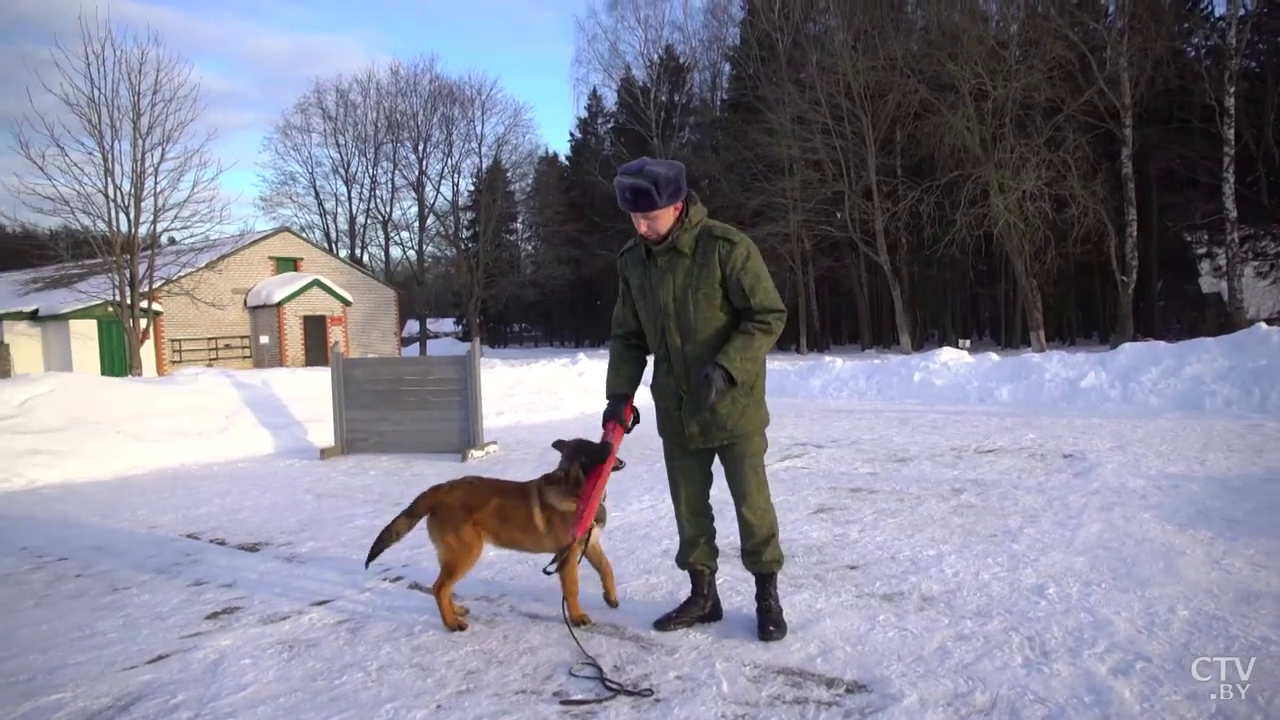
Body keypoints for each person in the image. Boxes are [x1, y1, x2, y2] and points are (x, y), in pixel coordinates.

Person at [600, 156, 790, 642]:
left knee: (752, 505)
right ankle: (703, 595)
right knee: (689, 508)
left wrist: (729, 367)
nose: (641, 227)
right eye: (634, 218)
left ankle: (766, 594)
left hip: (734, 406)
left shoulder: (726, 248)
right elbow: (627, 336)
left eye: (650, 217)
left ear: (678, 206)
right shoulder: (633, 263)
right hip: (677, 408)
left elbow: (767, 315)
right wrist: (619, 395)